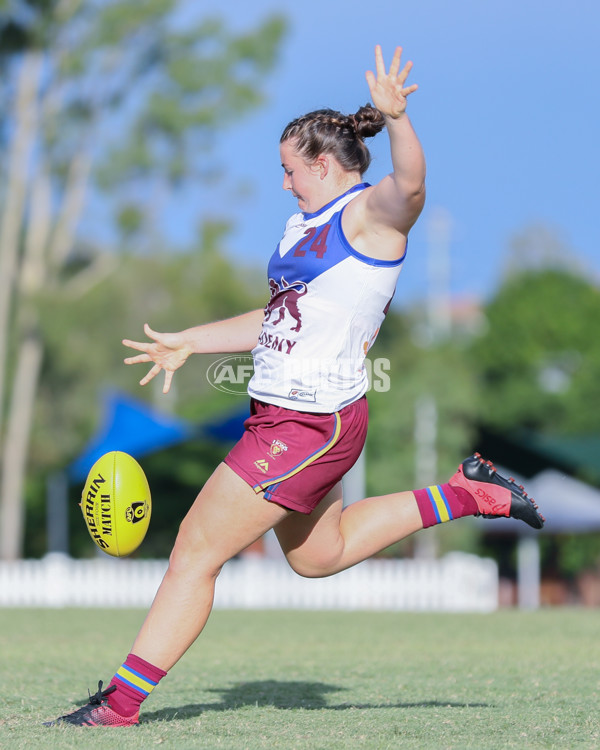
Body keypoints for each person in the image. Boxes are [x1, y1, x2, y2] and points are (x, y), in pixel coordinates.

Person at [45, 45, 544, 728]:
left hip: (312, 423)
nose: (283, 183)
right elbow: (278, 314)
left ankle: (121, 705)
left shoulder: (370, 217)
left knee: (195, 548)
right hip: (279, 415)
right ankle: (466, 491)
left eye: (289, 170)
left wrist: (398, 120)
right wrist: (193, 339)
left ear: (323, 164)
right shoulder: (301, 224)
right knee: (319, 556)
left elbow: (414, 188)